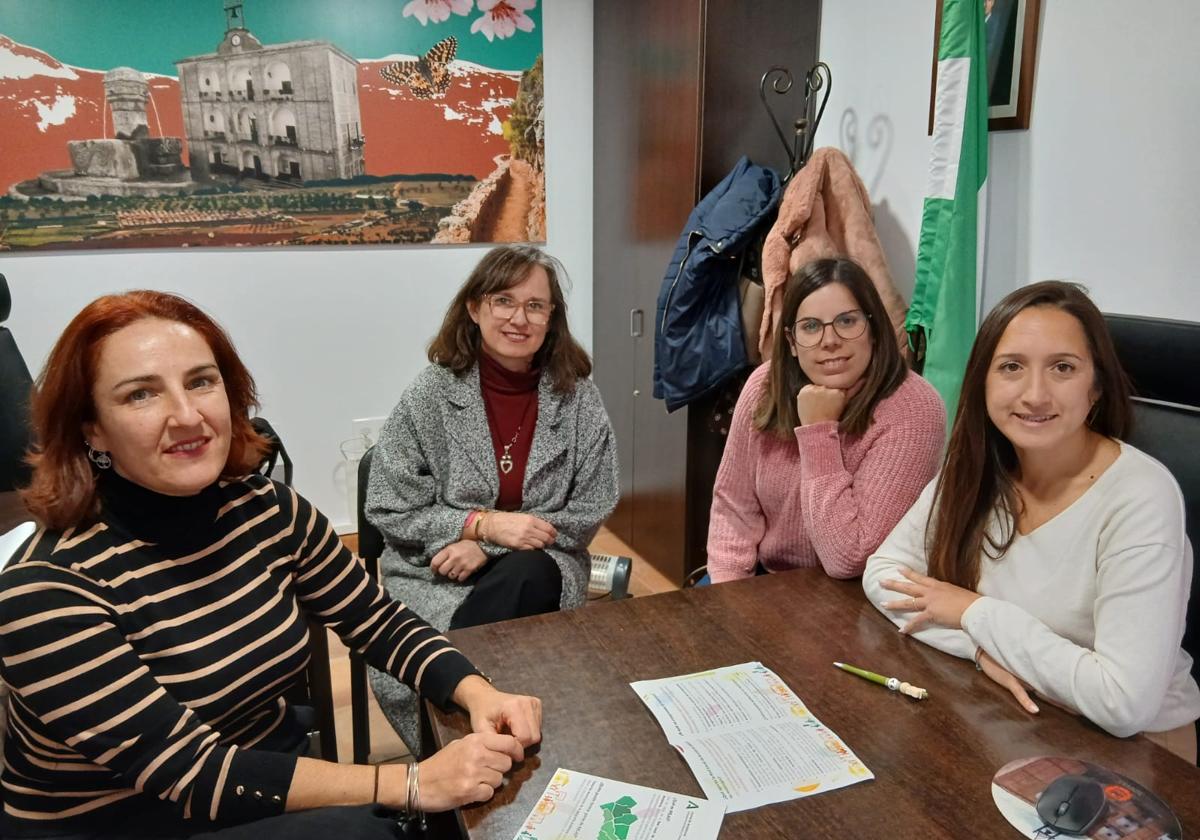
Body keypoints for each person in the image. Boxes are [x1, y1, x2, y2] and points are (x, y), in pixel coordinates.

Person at [0, 291, 543, 839]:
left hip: (260, 779)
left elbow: (376, 620)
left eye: (200, 382)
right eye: (141, 394)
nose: (187, 416)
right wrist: (408, 783)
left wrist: (479, 690)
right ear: (91, 428)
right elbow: (194, 773)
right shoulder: (43, 589)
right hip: (129, 821)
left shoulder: (266, 509)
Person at [864, 281, 1200, 763]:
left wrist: (974, 613)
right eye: (1011, 367)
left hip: (1140, 754)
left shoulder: (1141, 496)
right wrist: (978, 650)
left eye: (1063, 368)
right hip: (1018, 719)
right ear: (984, 381)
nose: (1035, 394)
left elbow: (1123, 703)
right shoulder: (976, 467)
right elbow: (883, 573)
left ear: (1097, 386)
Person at [366, 245, 618, 747]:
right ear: (475, 308)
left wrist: (492, 543)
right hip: (435, 570)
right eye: (503, 300)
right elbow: (389, 505)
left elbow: (592, 506)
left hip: (541, 562)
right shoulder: (431, 394)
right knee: (508, 631)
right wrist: (479, 524)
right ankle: (479, 734)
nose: (518, 318)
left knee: (529, 574)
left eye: (535, 305)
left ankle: (462, 727)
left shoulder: (578, 397)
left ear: (552, 318)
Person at [706, 257, 945, 583]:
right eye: (811, 326)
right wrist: (727, 595)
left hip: (861, 596)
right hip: (765, 582)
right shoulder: (765, 386)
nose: (829, 340)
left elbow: (849, 558)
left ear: (873, 330)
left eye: (847, 321)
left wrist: (818, 432)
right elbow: (733, 508)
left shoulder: (914, 409)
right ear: (791, 343)